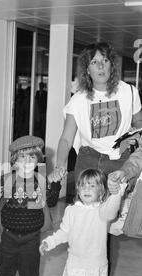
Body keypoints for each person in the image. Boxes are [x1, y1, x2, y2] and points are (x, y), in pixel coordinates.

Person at [40, 169, 126, 276]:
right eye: (83, 185)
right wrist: (49, 242)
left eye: (92, 186)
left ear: (101, 191)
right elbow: (64, 232)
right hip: (75, 263)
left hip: (96, 264)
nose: (87, 189)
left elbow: (112, 210)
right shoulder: (71, 211)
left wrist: (117, 193)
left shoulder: (102, 211)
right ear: (78, 189)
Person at [50, 42, 142, 184]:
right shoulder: (78, 100)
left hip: (120, 160)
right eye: (94, 62)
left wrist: (135, 138)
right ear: (87, 69)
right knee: (85, 205)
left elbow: (139, 123)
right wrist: (60, 165)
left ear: (111, 65)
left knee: (117, 206)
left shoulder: (129, 92)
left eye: (105, 60)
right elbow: (66, 139)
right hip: (88, 160)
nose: (100, 66)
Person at [0, 135, 62, 276]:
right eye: (22, 157)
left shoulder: (41, 181)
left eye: (32, 157)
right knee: (2, 271)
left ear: (38, 161)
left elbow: (52, 201)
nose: (27, 161)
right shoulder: (6, 180)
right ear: (14, 161)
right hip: (9, 236)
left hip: (31, 237)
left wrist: (54, 183)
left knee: (29, 275)